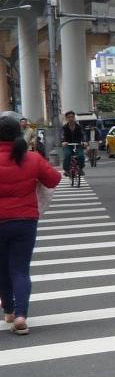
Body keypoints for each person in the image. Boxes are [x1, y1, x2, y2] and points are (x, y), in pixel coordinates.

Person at [0, 112, 63, 336]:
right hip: (24, 221)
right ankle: (20, 316)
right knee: (20, 269)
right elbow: (54, 179)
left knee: (2, 268)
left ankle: (8, 310)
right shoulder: (32, 158)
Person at [59, 110, 86, 176]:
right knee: (67, 154)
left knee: (81, 156)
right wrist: (63, 141)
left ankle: (80, 169)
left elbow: (83, 134)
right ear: (66, 118)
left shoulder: (79, 127)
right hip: (68, 145)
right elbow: (62, 135)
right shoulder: (64, 127)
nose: (70, 118)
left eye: (72, 117)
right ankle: (66, 170)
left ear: (74, 117)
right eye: (69, 117)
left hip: (78, 144)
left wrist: (84, 141)